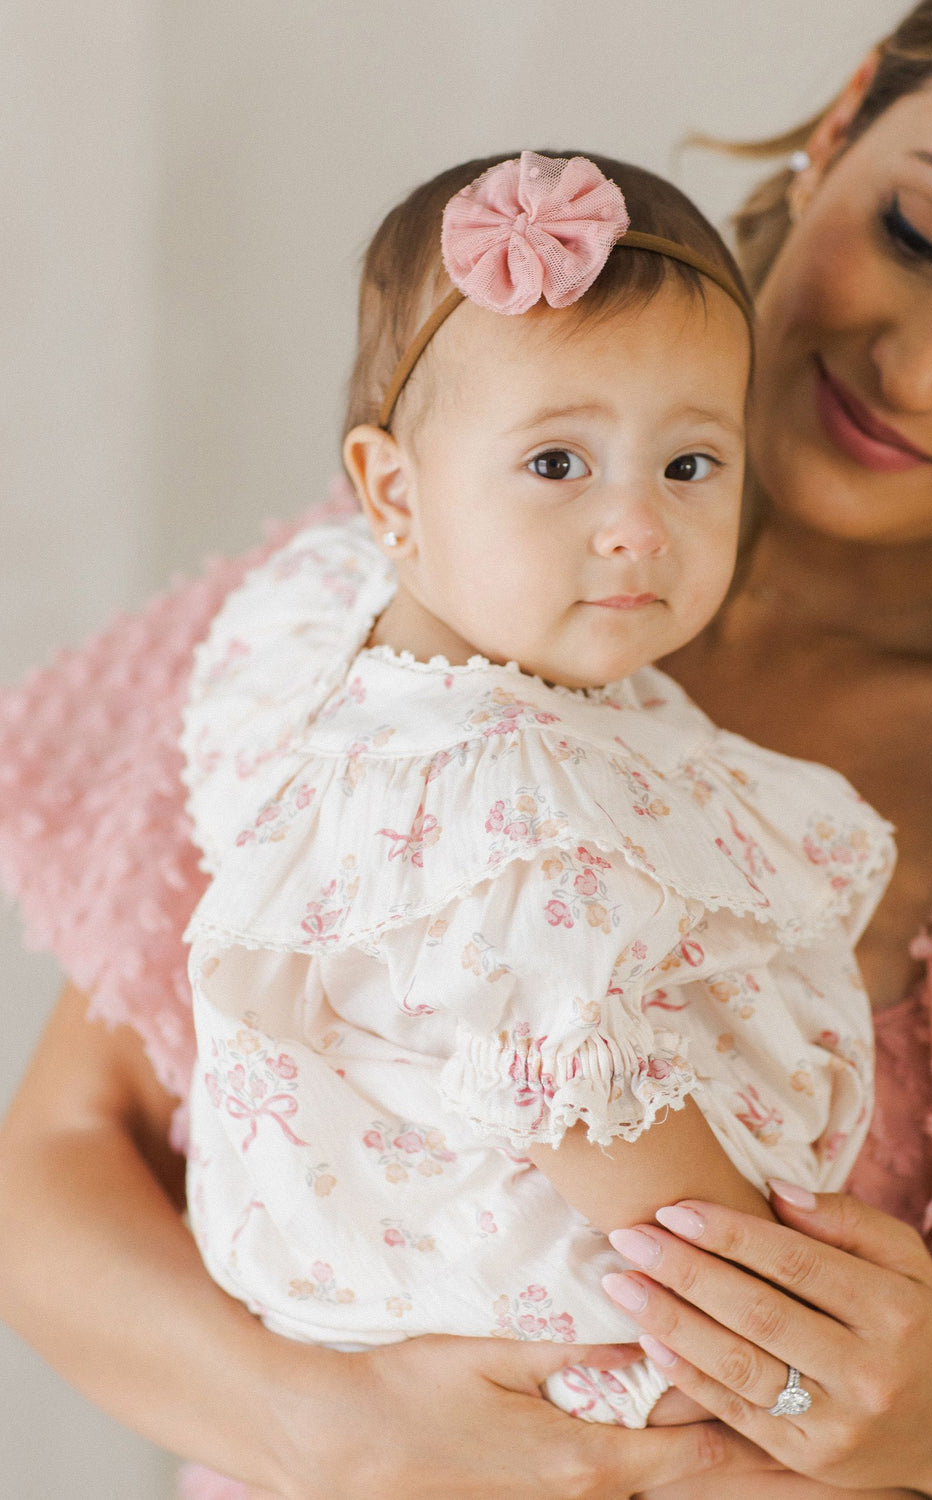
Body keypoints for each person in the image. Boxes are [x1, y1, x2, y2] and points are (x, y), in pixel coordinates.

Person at [3, 0, 932, 1494]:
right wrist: (339, 1433)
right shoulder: (406, 628)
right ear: (838, 133)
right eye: (917, 235)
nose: (925, 365)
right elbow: (53, 1161)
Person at [179, 146, 893, 1443]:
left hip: (381, 1307)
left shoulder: (342, 624)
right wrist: (775, 1309)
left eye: (690, 466)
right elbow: (611, 1133)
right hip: (566, 1356)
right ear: (393, 490)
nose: (636, 525)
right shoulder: (505, 807)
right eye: (558, 464)